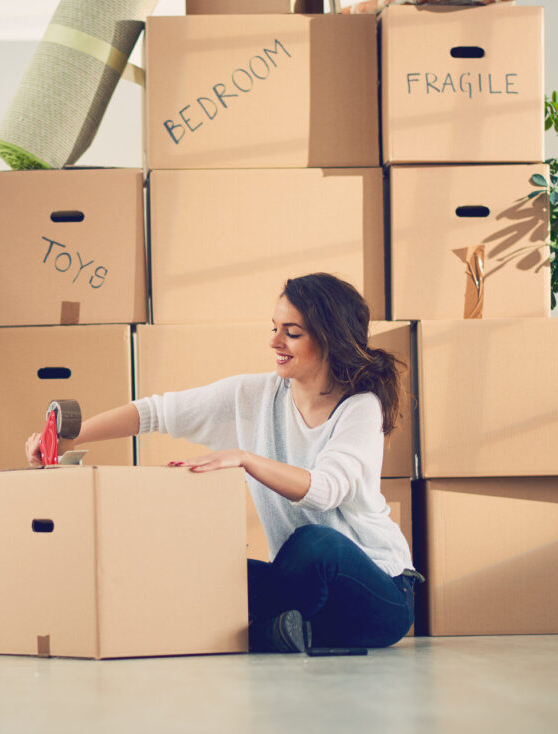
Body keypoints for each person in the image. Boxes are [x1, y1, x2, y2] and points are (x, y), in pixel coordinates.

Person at [24, 273, 421, 653]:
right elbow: (156, 412)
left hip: (379, 593)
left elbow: (325, 489)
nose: (275, 341)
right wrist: (66, 437)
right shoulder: (254, 395)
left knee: (315, 543)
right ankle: (280, 632)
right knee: (199, 565)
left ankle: (264, 631)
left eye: (292, 332)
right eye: (274, 327)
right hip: (302, 592)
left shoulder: (360, 408)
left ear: (331, 340)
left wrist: (246, 459)